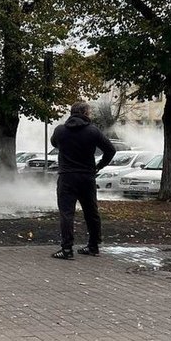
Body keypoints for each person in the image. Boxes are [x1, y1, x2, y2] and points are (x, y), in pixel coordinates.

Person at [50, 102, 116, 259]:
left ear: (72, 113)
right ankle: (93, 246)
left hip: (66, 177)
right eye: (90, 112)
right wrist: (99, 166)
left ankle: (66, 249)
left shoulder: (60, 130)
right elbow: (110, 150)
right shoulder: (93, 131)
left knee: (67, 213)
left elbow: (54, 143)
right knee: (91, 212)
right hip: (87, 177)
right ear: (86, 113)